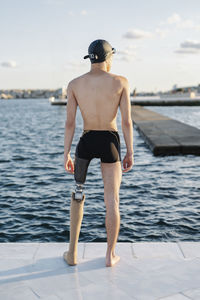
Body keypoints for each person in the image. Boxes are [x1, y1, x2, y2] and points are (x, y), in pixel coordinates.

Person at [63, 39, 134, 267]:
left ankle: (72, 253)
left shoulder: (74, 84)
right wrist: (130, 151)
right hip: (109, 141)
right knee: (112, 200)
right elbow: (126, 122)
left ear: (91, 59)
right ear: (108, 58)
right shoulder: (120, 82)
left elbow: (70, 124)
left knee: (77, 193)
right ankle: (110, 256)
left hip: (86, 140)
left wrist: (66, 154)